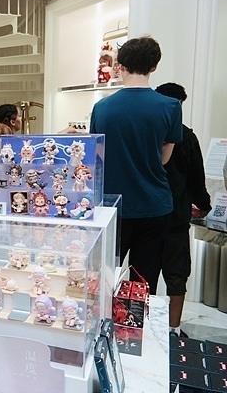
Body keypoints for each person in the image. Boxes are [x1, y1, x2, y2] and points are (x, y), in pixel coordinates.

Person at [89, 36, 183, 295]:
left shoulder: (101, 108)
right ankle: (135, 321)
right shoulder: (170, 106)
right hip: (154, 205)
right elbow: (164, 158)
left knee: (103, 280)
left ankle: (105, 321)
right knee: (143, 283)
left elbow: (97, 157)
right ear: (154, 66)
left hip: (111, 207)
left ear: (120, 65)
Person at [155, 82, 212, 338]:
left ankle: (138, 326)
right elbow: (196, 177)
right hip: (176, 216)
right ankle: (173, 329)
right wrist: (204, 204)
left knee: (141, 273)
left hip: (147, 216)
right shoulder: (187, 137)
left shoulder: (148, 134)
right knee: (177, 274)